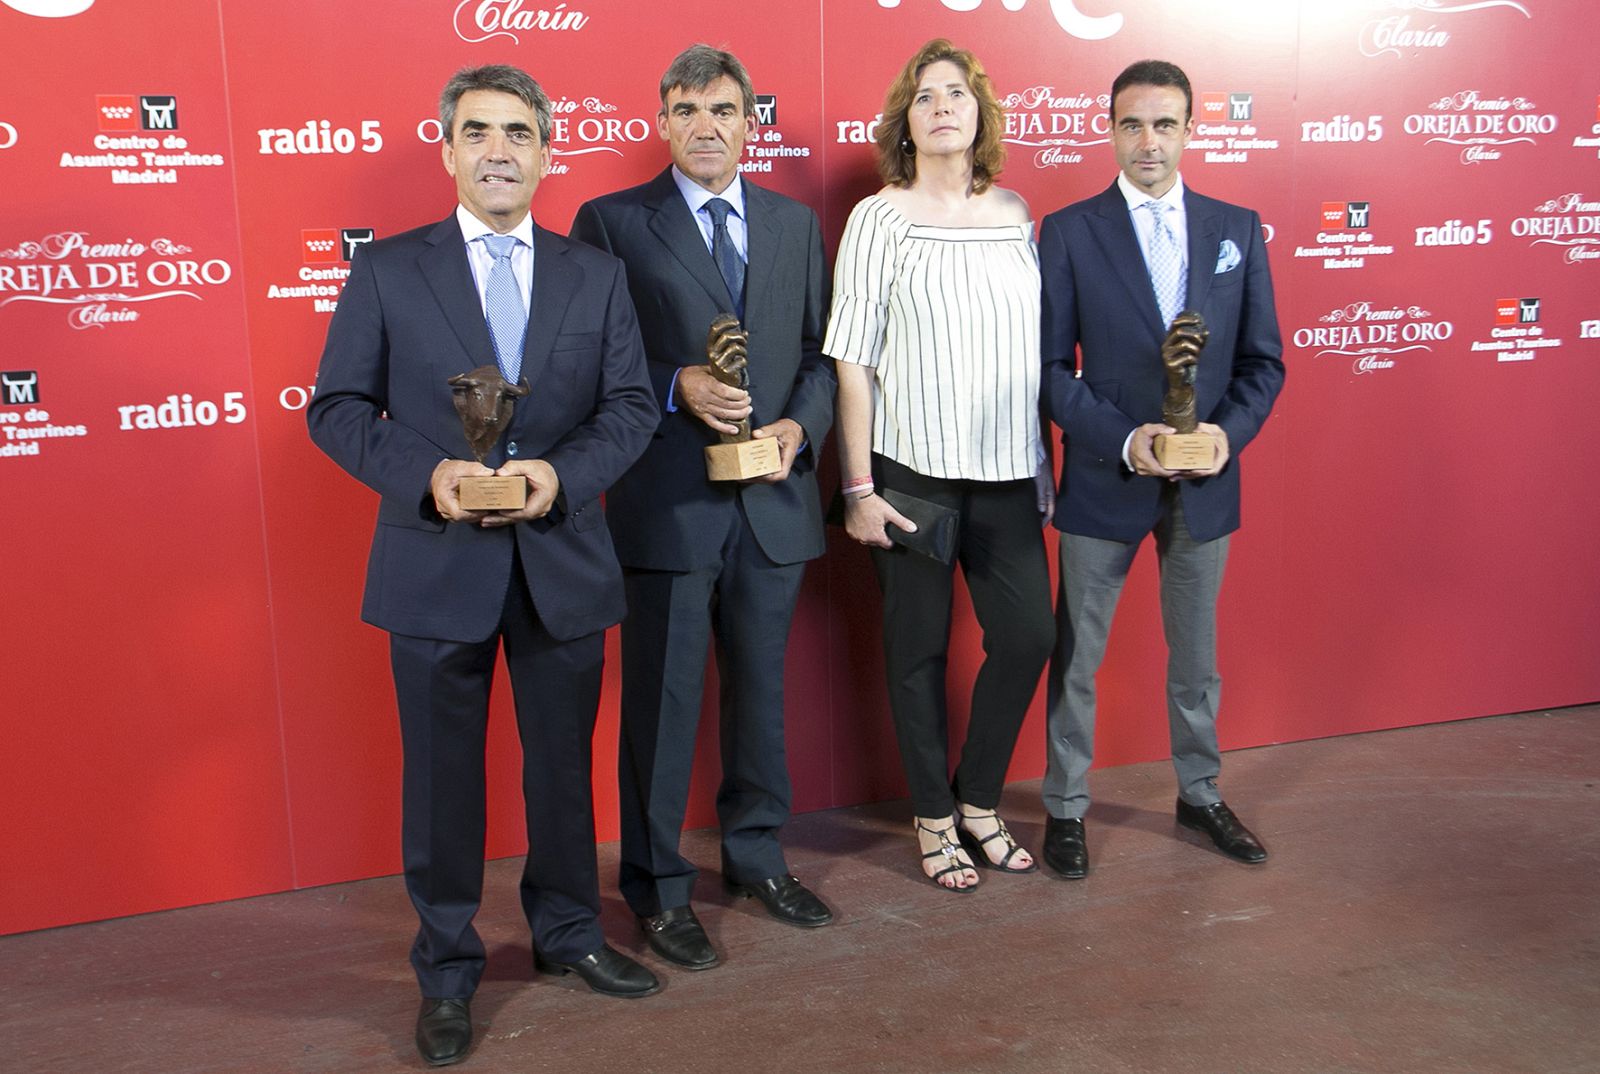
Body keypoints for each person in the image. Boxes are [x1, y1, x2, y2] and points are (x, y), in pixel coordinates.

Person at [307, 64, 659, 1067]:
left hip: (562, 557)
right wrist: (432, 477)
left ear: (548, 153)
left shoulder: (593, 273)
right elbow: (334, 409)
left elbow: (630, 408)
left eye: (517, 132)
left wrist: (558, 474)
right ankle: (448, 968)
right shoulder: (386, 270)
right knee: (443, 785)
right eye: (477, 132)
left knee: (560, 772)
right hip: (435, 563)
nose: (498, 149)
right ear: (448, 148)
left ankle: (569, 935)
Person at [569, 44, 836, 969]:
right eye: (686, 110)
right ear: (662, 120)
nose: (706, 126)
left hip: (773, 498)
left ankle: (758, 857)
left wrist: (803, 428)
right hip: (668, 504)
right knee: (664, 702)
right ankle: (654, 886)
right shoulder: (609, 223)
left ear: (750, 120)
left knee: (761, 696)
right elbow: (584, 368)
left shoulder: (796, 224)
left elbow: (817, 353)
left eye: (723, 109)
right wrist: (672, 381)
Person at [1037, 59, 1286, 879]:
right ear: (1111, 128)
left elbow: (1263, 364)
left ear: (1191, 129)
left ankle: (1201, 791)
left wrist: (1226, 437)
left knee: (1196, 659)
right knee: (1077, 655)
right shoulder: (1069, 231)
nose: (1149, 141)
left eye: (1166, 124)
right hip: (1106, 481)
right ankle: (1066, 807)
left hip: (1205, 485)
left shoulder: (1237, 228)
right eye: (1133, 124)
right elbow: (1047, 369)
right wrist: (1125, 439)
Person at [825, 39, 1054, 893]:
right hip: (911, 470)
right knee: (916, 651)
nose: (943, 106)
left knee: (1031, 635)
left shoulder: (1018, 213)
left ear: (981, 113)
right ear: (907, 122)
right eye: (925, 97)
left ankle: (981, 800)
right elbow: (853, 360)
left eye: (957, 93)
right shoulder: (879, 218)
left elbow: (1032, 350)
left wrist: (1041, 461)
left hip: (1006, 473)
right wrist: (858, 488)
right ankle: (932, 813)